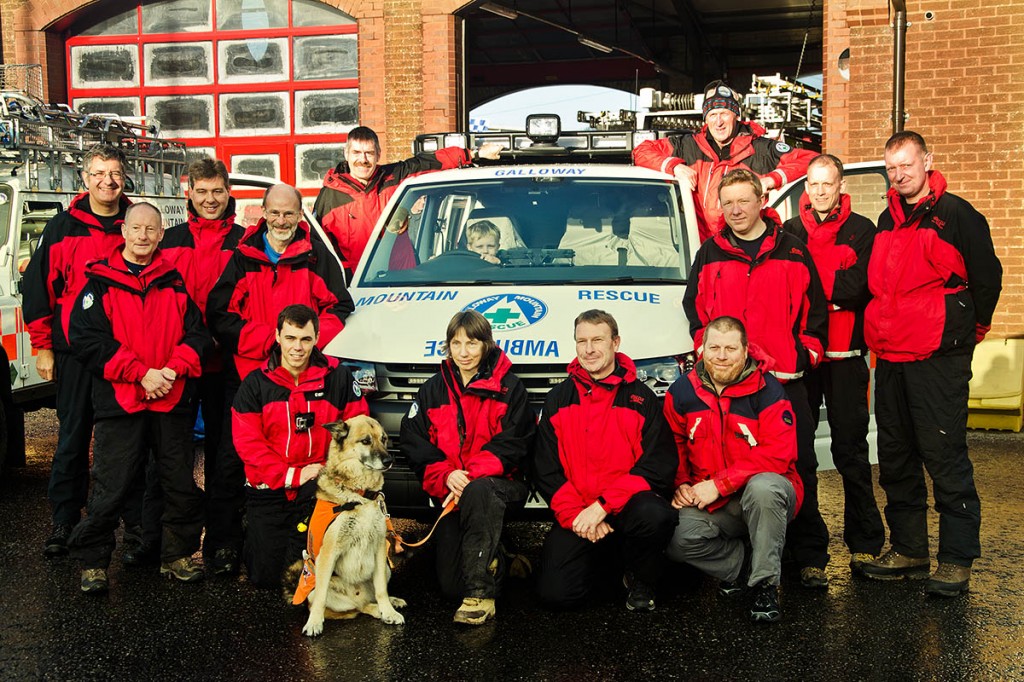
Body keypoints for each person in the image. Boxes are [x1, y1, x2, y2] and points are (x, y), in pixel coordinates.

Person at [860, 131, 1002, 596]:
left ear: (927, 161)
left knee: (944, 456)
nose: (899, 174)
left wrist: (967, 334)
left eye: (907, 164)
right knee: (896, 459)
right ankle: (909, 549)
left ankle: (957, 560)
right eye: (891, 167)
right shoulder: (886, 219)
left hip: (938, 359)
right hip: (892, 358)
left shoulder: (956, 215)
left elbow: (987, 279)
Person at [683, 168, 831, 588]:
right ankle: (754, 553)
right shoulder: (710, 252)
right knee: (734, 466)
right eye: (726, 203)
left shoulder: (794, 251)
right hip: (728, 386)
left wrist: (805, 355)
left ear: (761, 201)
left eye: (743, 201)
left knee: (800, 466)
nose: (734, 210)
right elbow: (695, 310)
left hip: (784, 381)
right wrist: (704, 351)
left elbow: (813, 314)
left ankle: (808, 556)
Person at [206, 183, 354, 574]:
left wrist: (308, 344)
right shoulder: (244, 256)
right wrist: (265, 345)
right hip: (249, 375)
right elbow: (219, 313)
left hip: (302, 374)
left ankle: (303, 545)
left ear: (300, 213)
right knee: (229, 462)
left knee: (303, 454)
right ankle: (222, 546)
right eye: (275, 212)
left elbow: (340, 304)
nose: (282, 220)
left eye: (289, 213)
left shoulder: (314, 255)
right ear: (263, 212)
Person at [66, 202, 211, 593]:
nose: (144, 236)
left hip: (170, 397)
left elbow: (197, 336)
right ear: (124, 232)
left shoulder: (174, 282)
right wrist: (140, 374)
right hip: (121, 401)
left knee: (178, 481)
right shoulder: (100, 282)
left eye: (152, 229)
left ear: (162, 234)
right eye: (137, 229)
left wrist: (170, 369)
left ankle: (176, 555)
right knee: (111, 484)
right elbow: (86, 339)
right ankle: (94, 561)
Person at [23, 144, 135, 558]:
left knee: (125, 444)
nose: (108, 180)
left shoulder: (135, 223)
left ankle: (131, 525)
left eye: (115, 173)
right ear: (85, 178)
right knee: (72, 439)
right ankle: (64, 519)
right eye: (99, 172)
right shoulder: (63, 228)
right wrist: (43, 347)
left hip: (125, 357)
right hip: (74, 356)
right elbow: (38, 290)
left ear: (124, 178)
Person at [533, 310, 678, 612]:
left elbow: (657, 466)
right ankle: (607, 560)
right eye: (581, 341)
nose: (589, 349)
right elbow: (545, 468)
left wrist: (602, 506)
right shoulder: (558, 398)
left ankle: (640, 578)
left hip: (624, 507)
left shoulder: (641, 398)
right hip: (579, 512)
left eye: (597, 340)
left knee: (656, 515)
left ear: (616, 342)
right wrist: (578, 516)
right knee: (556, 595)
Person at [781, 154, 885, 575]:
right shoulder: (788, 231)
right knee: (800, 456)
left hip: (845, 357)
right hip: (803, 358)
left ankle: (866, 542)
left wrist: (815, 291)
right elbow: (787, 288)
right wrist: (833, 292)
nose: (820, 191)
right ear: (805, 186)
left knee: (851, 452)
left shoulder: (863, 230)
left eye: (828, 184)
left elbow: (862, 288)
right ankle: (809, 554)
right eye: (813, 184)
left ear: (841, 186)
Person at [664, 316, 803, 623]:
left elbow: (779, 455)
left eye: (730, 348)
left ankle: (765, 585)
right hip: (714, 501)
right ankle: (744, 567)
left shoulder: (769, 391)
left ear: (745, 351)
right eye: (714, 347)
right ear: (701, 349)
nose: (721, 355)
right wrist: (682, 482)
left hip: (764, 495)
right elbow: (673, 442)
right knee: (674, 538)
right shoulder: (682, 392)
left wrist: (720, 484)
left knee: (764, 487)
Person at [401, 311, 534, 625]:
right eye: (456, 343)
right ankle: (501, 556)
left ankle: (480, 596)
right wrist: (447, 476)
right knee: (449, 586)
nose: (463, 352)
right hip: (452, 491)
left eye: (472, 343)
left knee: (480, 491)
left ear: (486, 344)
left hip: (501, 489)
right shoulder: (433, 389)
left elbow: (515, 442)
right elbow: (414, 441)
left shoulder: (510, 388)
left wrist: (469, 477)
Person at [231, 305, 368, 588]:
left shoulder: (338, 378)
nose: (297, 347)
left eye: (305, 339)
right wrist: (292, 475)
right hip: (271, 488)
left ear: (317, 337)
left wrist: (338, 475)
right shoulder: (255, 384)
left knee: (320, 578)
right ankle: (255, 531)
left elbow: (359, 432)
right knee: (266, 578)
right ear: (278, 337)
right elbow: (248, 444)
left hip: (320, 486)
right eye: (291, 338)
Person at [162, 157, 245, 575]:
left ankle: (223, 542)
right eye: (202, 191)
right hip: (177, 363)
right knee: (171, 456)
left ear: (228, 192)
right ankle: (168, 544)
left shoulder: (245, 241)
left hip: (227, 364)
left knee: (225, 457)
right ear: (188, 191)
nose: (210, 200)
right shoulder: (169, 239)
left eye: (217, 191)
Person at [632, 80, 816, 242]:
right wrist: (675, 167)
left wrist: (771, 179)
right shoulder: (687, 146)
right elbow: (641, 151)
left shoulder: (760, 149)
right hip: (699, 248)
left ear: (736, 115)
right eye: (712, 115)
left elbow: (812, 160)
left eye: (724, 113)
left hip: (743, 249)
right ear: (706, 119)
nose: (718, 122)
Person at [313, 126, 503, 274]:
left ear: (378, 154)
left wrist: (474, 154)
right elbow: (320, 250)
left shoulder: (394, 177)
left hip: (400, 284)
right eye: (356, 153)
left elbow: (429, 162)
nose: (363, 159)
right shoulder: (329, 196)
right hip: (354, 289)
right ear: (346, 154)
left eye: (369, 153)